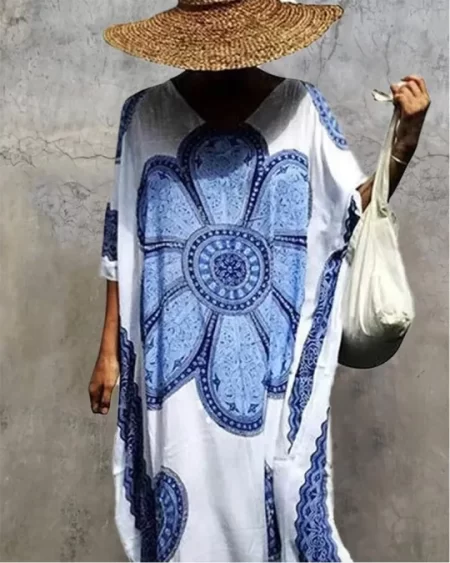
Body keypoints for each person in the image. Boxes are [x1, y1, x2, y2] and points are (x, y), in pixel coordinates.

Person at [88, 1, 430, 561]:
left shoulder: (300, 108)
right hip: (173, 366)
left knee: (266, 502)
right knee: (180, 495)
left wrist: (403, 143)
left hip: (271, 364)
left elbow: (349, 210)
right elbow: (121, 234)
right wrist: (108, 351)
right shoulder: (145, 115)